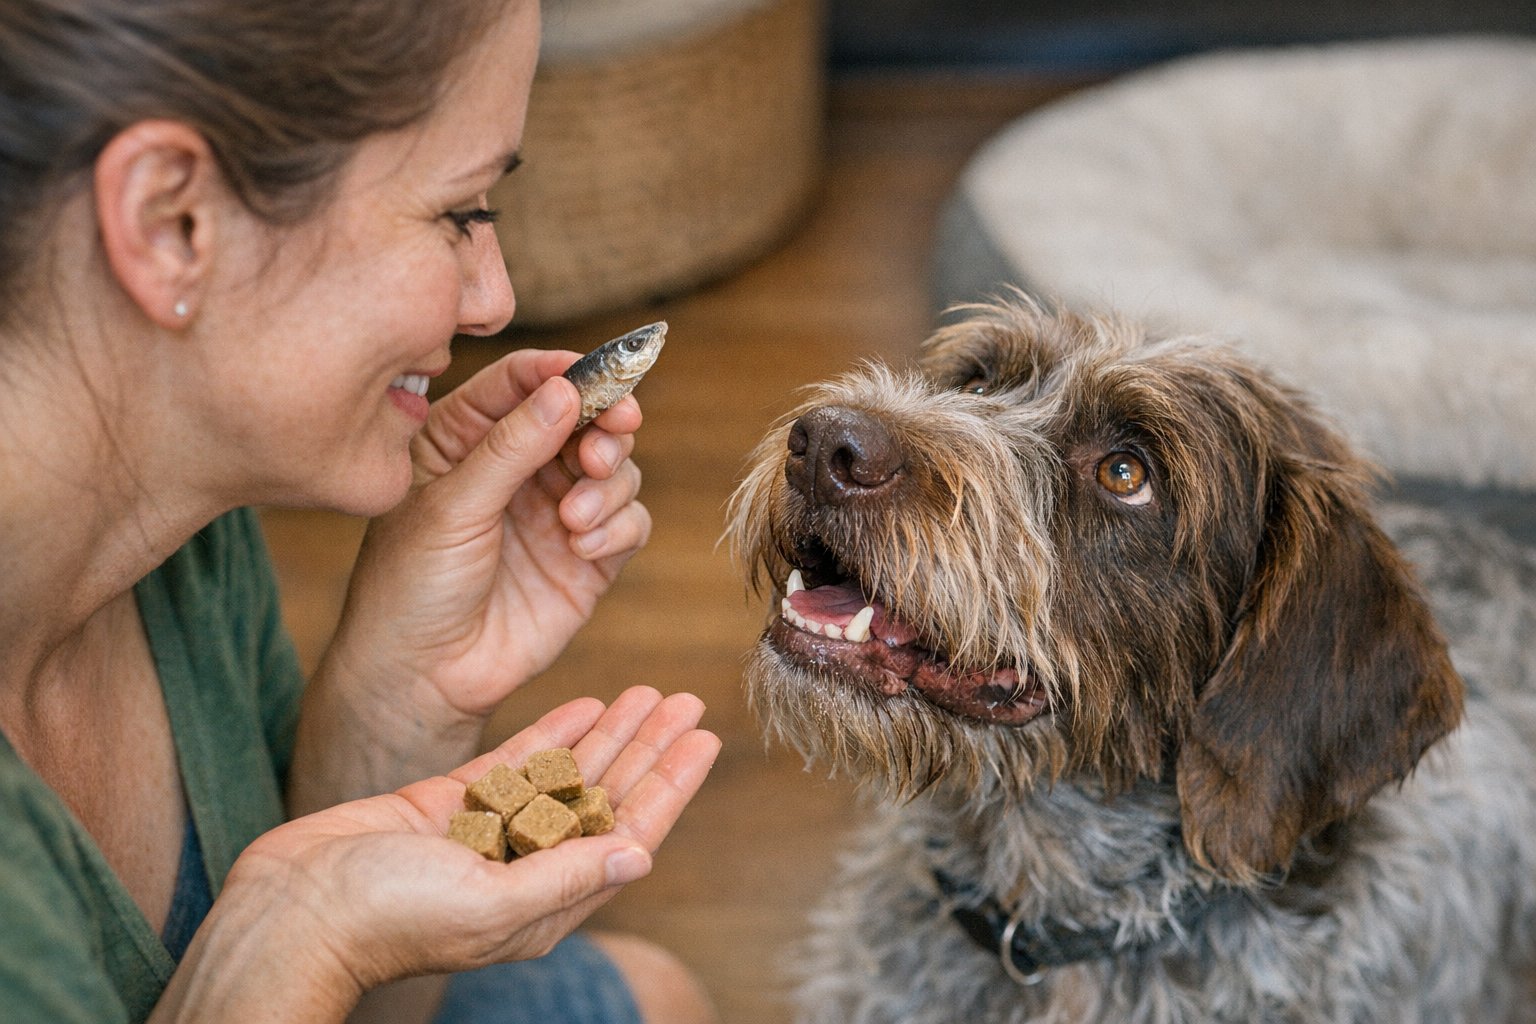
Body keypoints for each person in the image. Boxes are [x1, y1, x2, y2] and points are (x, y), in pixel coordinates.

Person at [0, 1, 722, 1022]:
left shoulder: (180, 503)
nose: (493, 300)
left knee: (650, 997)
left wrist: (399, 698)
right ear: (173, 222)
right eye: (459, 212)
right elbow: (307, 935)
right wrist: (298, 938)